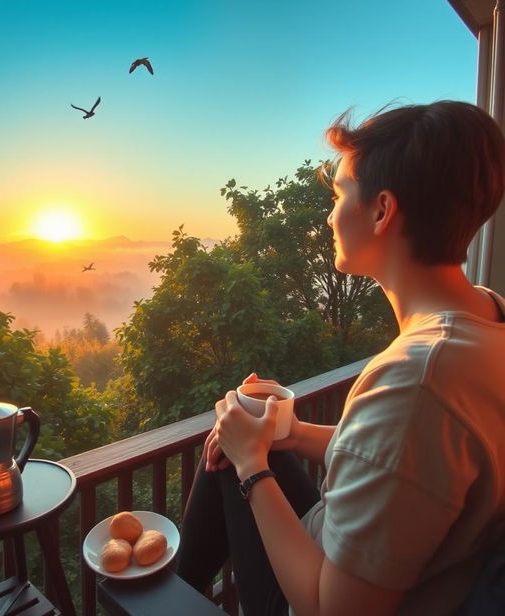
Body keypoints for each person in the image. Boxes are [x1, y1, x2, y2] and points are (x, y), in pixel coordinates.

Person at [175, 100, 505, 616]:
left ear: (382, 210)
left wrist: (251, 466)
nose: (329, 215)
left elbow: (330, 609)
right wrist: (287, 434)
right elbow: (403, 465)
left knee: (226, 456)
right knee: (246, 430)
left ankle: (167, 598)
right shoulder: (487, 318)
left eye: (339, 195)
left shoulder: (420, 379)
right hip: (374, 553)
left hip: (310, 592)